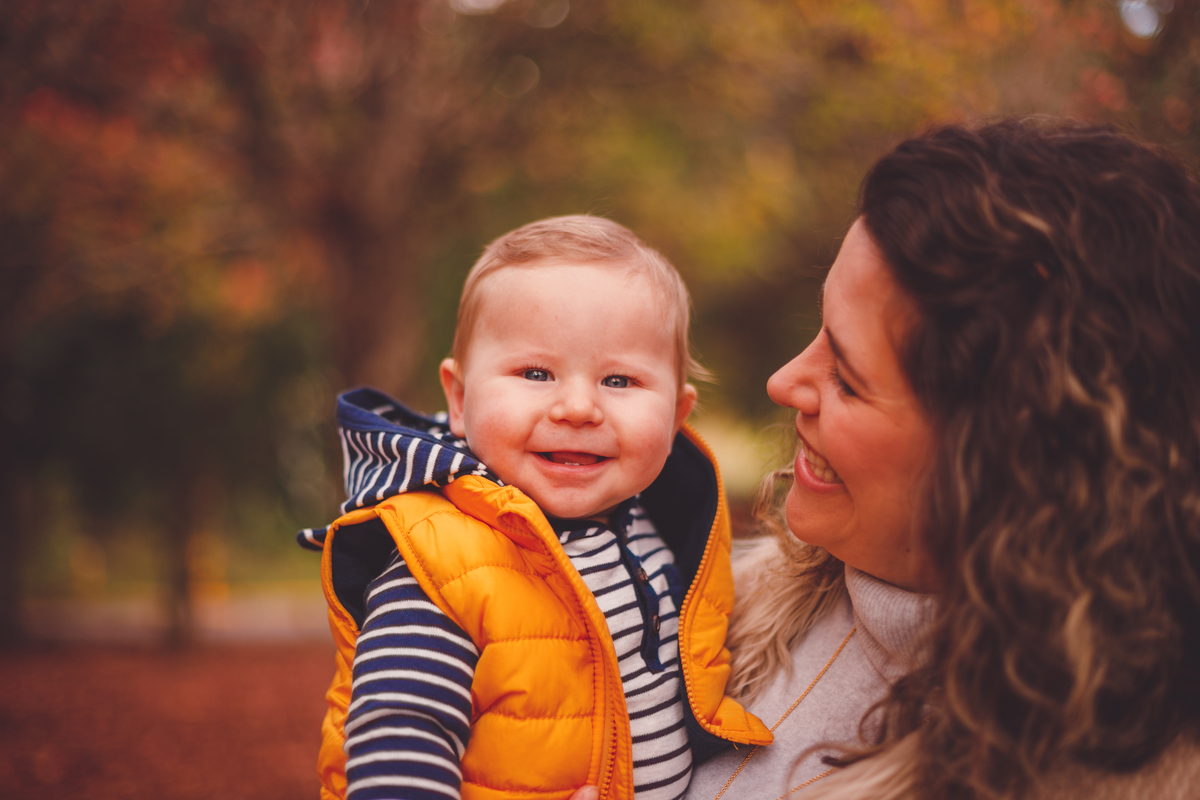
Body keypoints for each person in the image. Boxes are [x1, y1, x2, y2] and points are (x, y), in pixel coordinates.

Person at [683, 119, 1200, 800]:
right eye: (819, 332)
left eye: (848, 378)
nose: (783, 382)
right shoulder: (712, 605)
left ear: (1002, 468)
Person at [300, 215, 771, 800]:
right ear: (461, 399)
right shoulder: (443, 568)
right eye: (536, 372)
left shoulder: (658, 531)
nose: (578, 407)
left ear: (677, 417)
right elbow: (398, 745)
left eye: (619, 381)